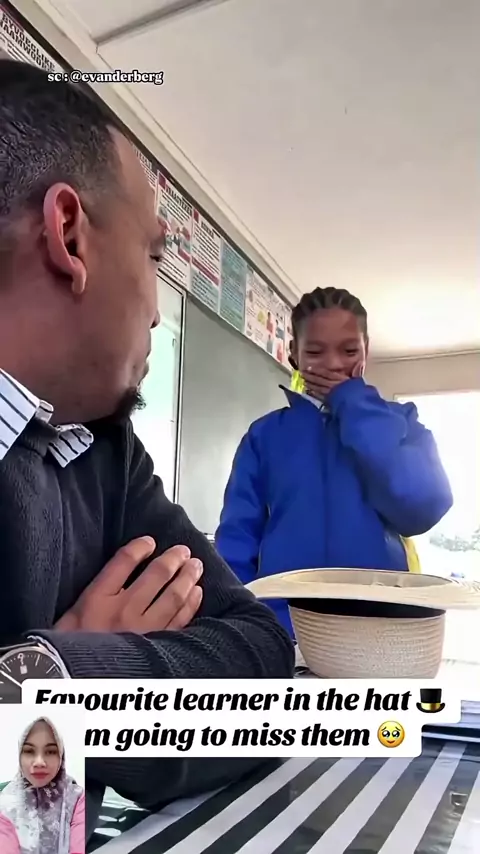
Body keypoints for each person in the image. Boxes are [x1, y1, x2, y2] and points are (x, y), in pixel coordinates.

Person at [0, 60, 294, 833]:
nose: (159, 313)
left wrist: (60, 675)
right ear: (70, 236)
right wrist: (47, 693)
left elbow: (261, 668)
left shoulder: (103, 450)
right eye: (155, 256)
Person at [216, 286, 453, 634]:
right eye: (315, 351)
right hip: (283, 627)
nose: (333, 364)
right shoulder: (264, 436)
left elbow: (422, 508)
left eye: (349, 350)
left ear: (366, 349)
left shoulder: (402, 422)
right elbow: (237, 538)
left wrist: (353, 403)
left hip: (380, 624)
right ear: (294, 354)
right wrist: (241, 619)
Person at [0, 716, 85, 853]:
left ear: (61, 756)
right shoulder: (5, 805)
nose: (39, 762)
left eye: (50, 751)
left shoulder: (76, 798)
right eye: (29, 751)